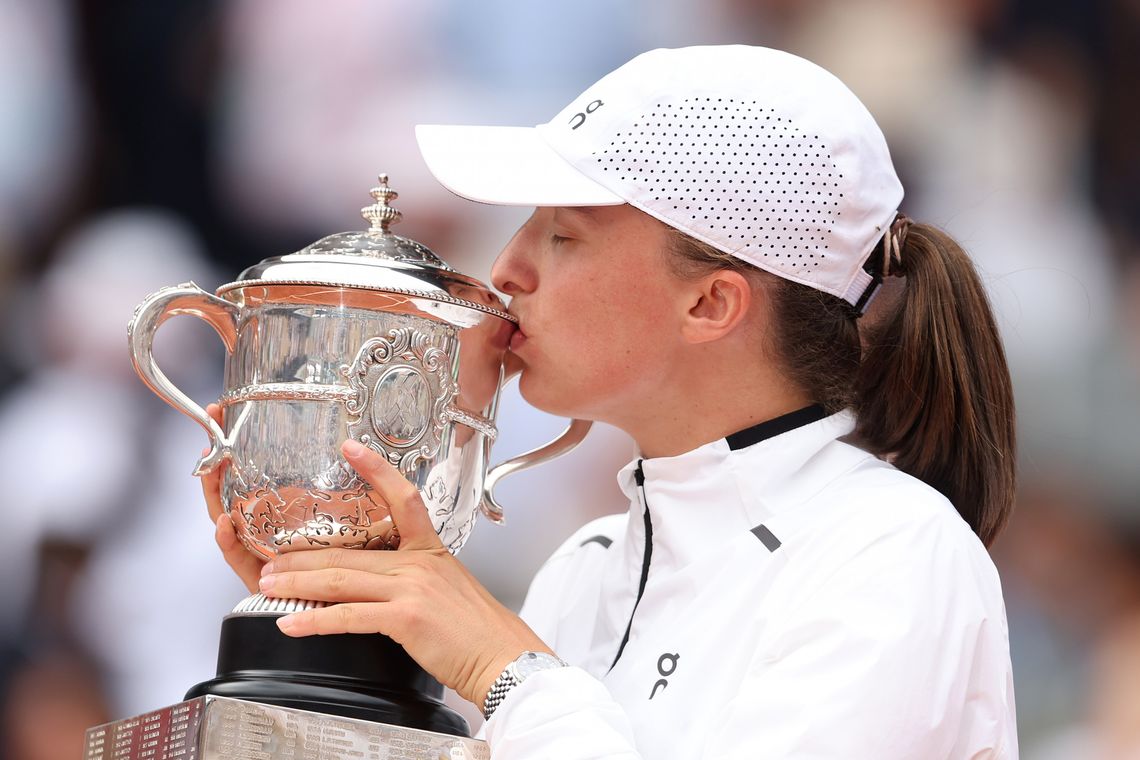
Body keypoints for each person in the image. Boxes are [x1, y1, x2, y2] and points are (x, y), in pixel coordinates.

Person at [204, 45, 1018, 758]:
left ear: (710, 304)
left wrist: (507, 672)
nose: (509, 268)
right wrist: (346, 642)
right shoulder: (586, 568)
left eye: (564, 234)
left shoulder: (892, 553)